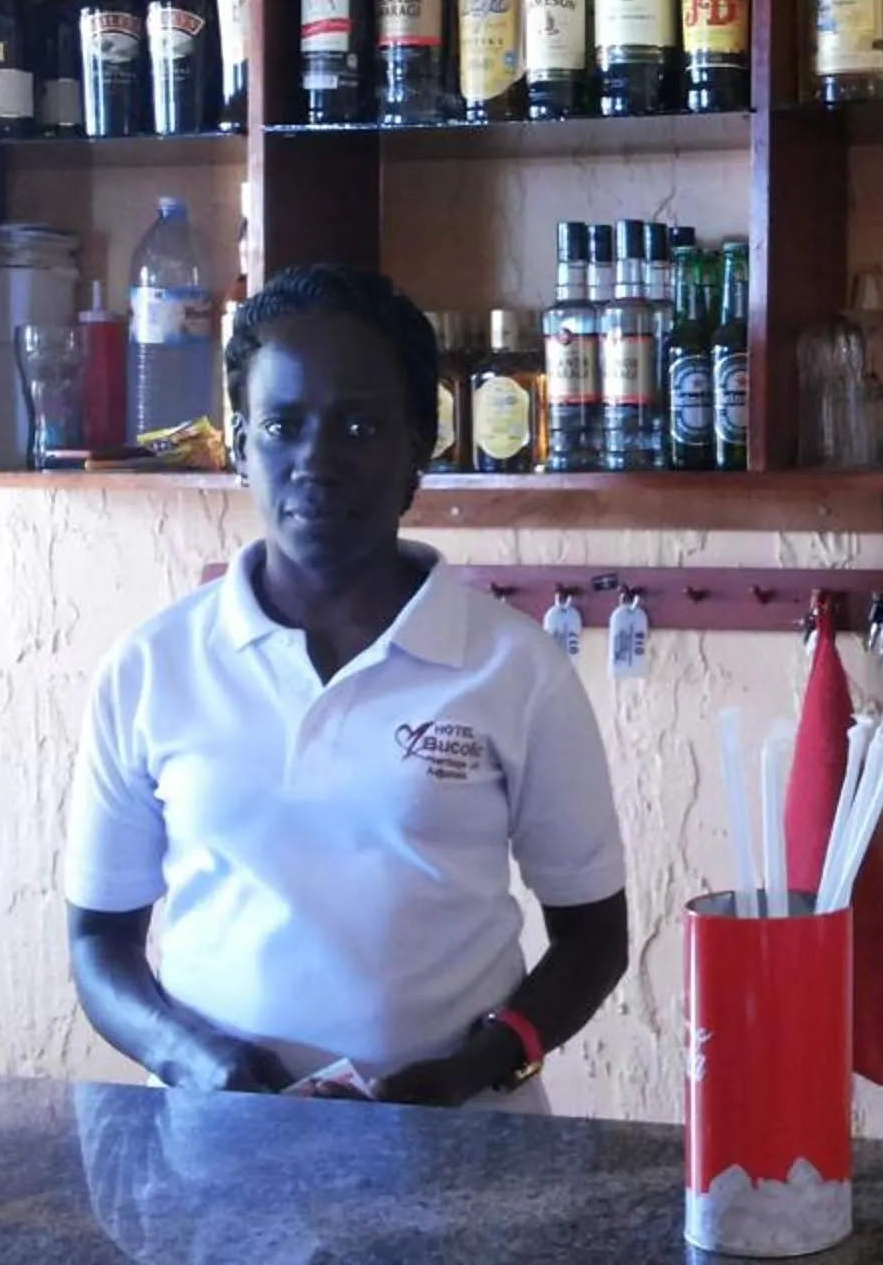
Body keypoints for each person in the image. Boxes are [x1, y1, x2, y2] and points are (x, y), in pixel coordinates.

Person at [63, 265, 630, 1110]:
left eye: (360, 426)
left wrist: (478, 1069)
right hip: (217, 1152)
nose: (316, 462)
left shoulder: (516, 672)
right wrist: (190, 1057)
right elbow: (97, 941)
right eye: (283, 425)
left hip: (461, 1150)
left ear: (417, 450)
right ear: (242, 446)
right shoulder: (151, 670)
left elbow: (593, 940)